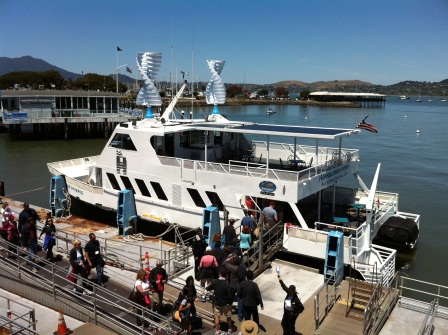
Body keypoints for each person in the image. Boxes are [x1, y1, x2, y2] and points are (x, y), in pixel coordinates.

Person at [206, 268, 234, 335]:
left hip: (217, 303)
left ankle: (217, 331)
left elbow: (207, 288)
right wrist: (230, 303)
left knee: (217, 317)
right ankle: (230, 329)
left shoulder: (215, 281)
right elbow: (230, 297)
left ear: (220, 274)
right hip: (226, 305)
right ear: (226, 275)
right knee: (229, 318)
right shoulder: (227, 285)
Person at [223, 254, 246, 322]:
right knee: (240, 301)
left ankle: (228, 312)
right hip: (240, 286)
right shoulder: (243, 266)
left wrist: (231, 257)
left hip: (233, 286)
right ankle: (240, 315)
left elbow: (224, 262)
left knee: (230, 299)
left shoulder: (233, 268)